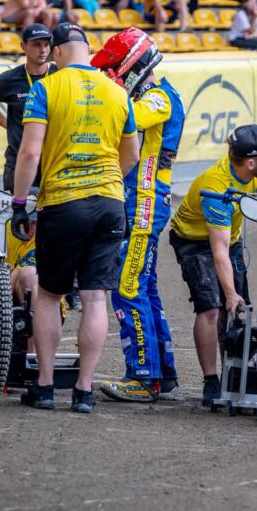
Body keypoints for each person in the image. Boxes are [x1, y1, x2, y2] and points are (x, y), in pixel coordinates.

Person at [10, 22, 139, 414]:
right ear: (87, 49)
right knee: (96, 295)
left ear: (60, 53)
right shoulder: (118, 92)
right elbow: (131, 153)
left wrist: (20, 202)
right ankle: (84, 390)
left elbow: (30, 153)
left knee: (49, 294)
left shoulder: (45, 89)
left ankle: (46, 386)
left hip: (64, 201)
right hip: (109, 201)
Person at [167, 124, 257, 406]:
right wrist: (229, 292)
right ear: (251, 162)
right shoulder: (216, 186)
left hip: (228, 239)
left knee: (240, 308)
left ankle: (235, 372)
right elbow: (218, 251)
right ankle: (211, 380)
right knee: (212, 306)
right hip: (193, 240)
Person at [90, 28, 186, 403]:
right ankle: (163, 373)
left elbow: (125, 115)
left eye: (113, 68)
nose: (110, 76)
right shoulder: (157, 94)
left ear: (132, 64)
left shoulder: (158, 97)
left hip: (143, 205)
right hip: (143, 204)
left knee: (128, 287)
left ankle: (143, 376)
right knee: (144, 287)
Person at [0, 24, 56, 193]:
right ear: (23, 46)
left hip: (54, 160)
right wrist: (7, 123)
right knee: (21, 216)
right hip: (20, 159)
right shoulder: (10, 79)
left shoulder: (60, 74)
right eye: (36, 45)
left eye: (46, 44)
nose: (43, 50)